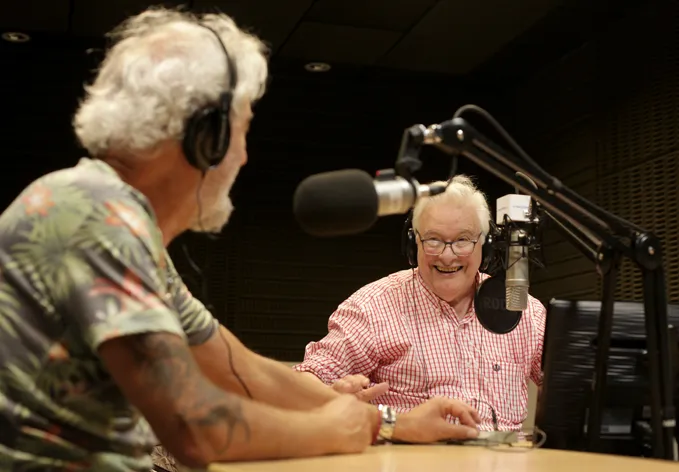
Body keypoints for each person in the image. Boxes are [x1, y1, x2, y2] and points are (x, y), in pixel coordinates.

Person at [0, 7, 481, 472]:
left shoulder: (119, 226)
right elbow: (195, 426)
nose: (244, 157)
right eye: (242, 131)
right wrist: (335, 429)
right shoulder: (93, 216)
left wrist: (385, 423)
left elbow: (239, 367)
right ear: (203, 135)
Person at [294, 175, 547, 432]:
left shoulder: (525, 311)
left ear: (486, 244)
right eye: (433, 240)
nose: (447, 256)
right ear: (414, 242)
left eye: (462, 240)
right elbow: (305, 382)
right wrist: (334, 396)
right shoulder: (373, 306)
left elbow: (565, 385)